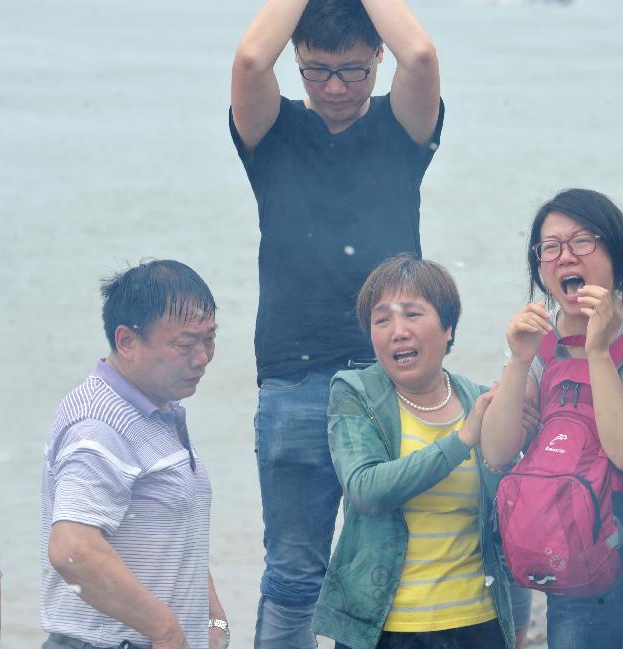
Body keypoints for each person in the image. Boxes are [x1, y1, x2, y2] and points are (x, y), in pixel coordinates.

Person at [229, 0, 443, 644]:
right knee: (294, 575)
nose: (335, 89)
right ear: (294, 64)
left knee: (397, 570)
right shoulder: (273, 133)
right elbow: (247, 59)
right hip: (294, 379)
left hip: (395, 378)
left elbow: (424, 55)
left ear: (379, 58)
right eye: (315, 72)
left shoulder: (401, 130)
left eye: (352, 72)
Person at [482, 189, 623, 648]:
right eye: (551, 247)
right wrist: (519, 362)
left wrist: (597, 350)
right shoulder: (537, 343)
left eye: (582, 242)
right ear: (538, 264)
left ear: (616, 253)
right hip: (571, 549)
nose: (565, 257)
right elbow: (497, 453)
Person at [312, 254, 518, 649]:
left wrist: (522, 376)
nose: (398, 332)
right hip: (386, 629)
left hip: (479, 623)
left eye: (412, 314)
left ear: (448, 327)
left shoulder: (478, 399)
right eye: (382, 319)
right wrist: (461, 441)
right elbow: (365, 489)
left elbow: (510, 509)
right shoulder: (356, 392)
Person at [39, 260, 228, 649]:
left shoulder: (156, 409)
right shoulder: (99, 424)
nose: (203, 357)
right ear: (126, 341)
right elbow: (72, 548)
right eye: (184, 344)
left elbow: (174, 525)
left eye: (209, 338)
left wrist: (213, 619)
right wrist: (165, 630)